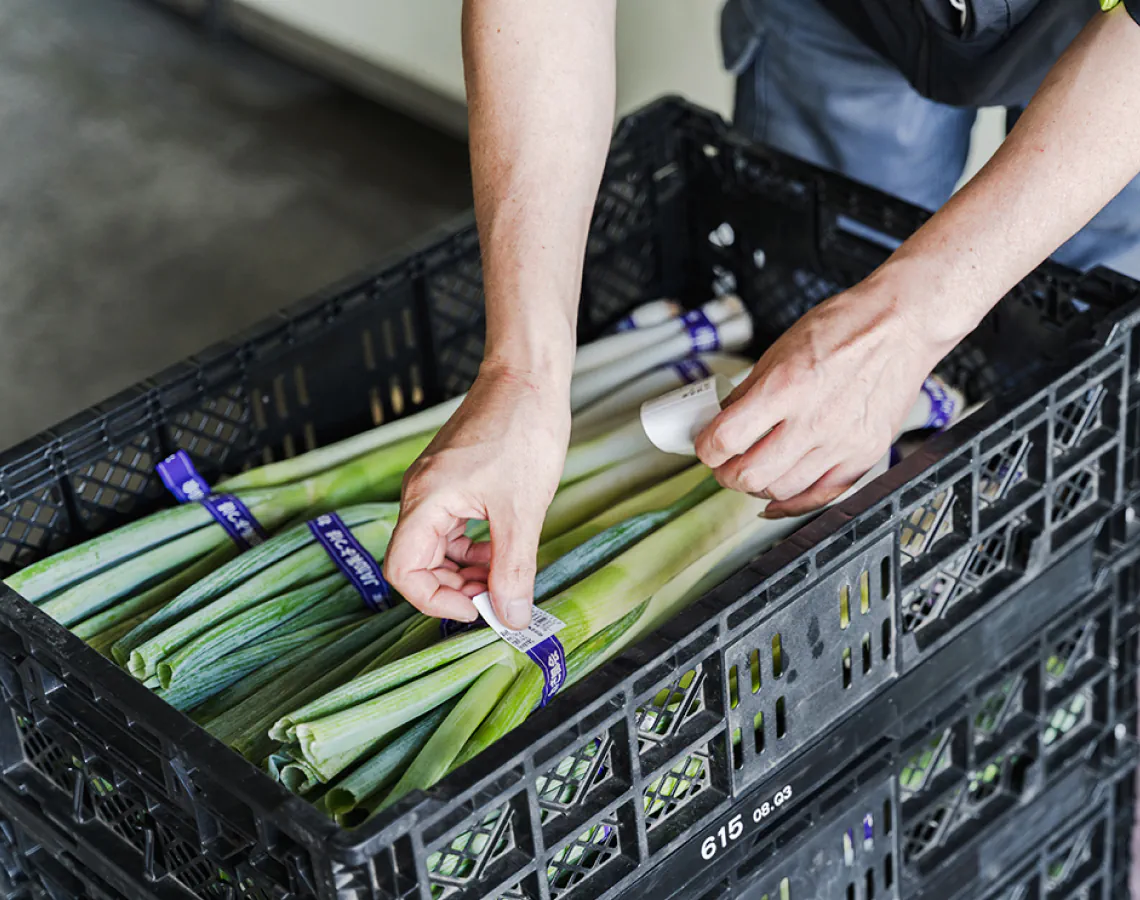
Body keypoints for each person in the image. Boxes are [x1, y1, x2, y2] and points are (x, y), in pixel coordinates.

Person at [383, 0, 1140, 632]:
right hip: (850, 15)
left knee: (1095, 301)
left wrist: (911, 320)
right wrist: (521, 373)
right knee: (820, 274)